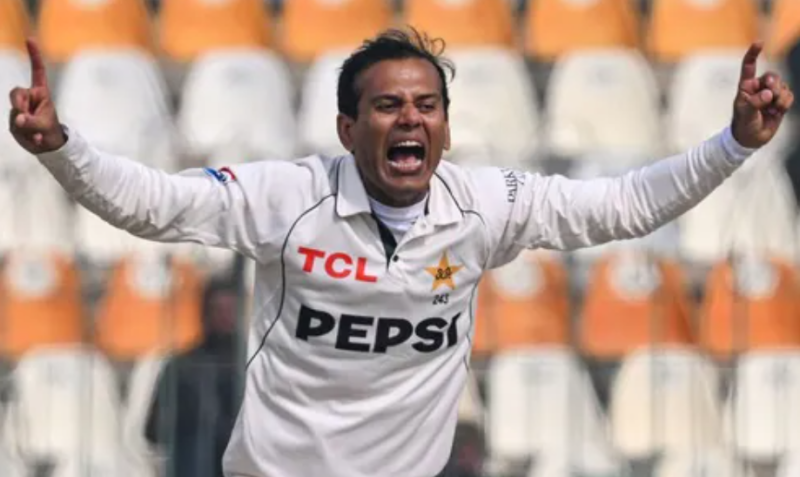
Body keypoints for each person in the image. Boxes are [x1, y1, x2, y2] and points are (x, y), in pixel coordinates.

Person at [7, 27, 794, 477]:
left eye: (427, 105)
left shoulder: (484, 205)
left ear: (445, 127)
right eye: (387, 105)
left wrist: (732, 144)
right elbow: (154, 203)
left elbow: (624, 205)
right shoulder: (288, 195)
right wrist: (61, 148)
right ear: (348, 128)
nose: (410, 119)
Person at [144, 276, 242, 477]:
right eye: (218, 310)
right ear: (205, 312)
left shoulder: (253, 367)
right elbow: (153, 432)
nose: (225, 317)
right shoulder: (181, 367)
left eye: (230, 310)